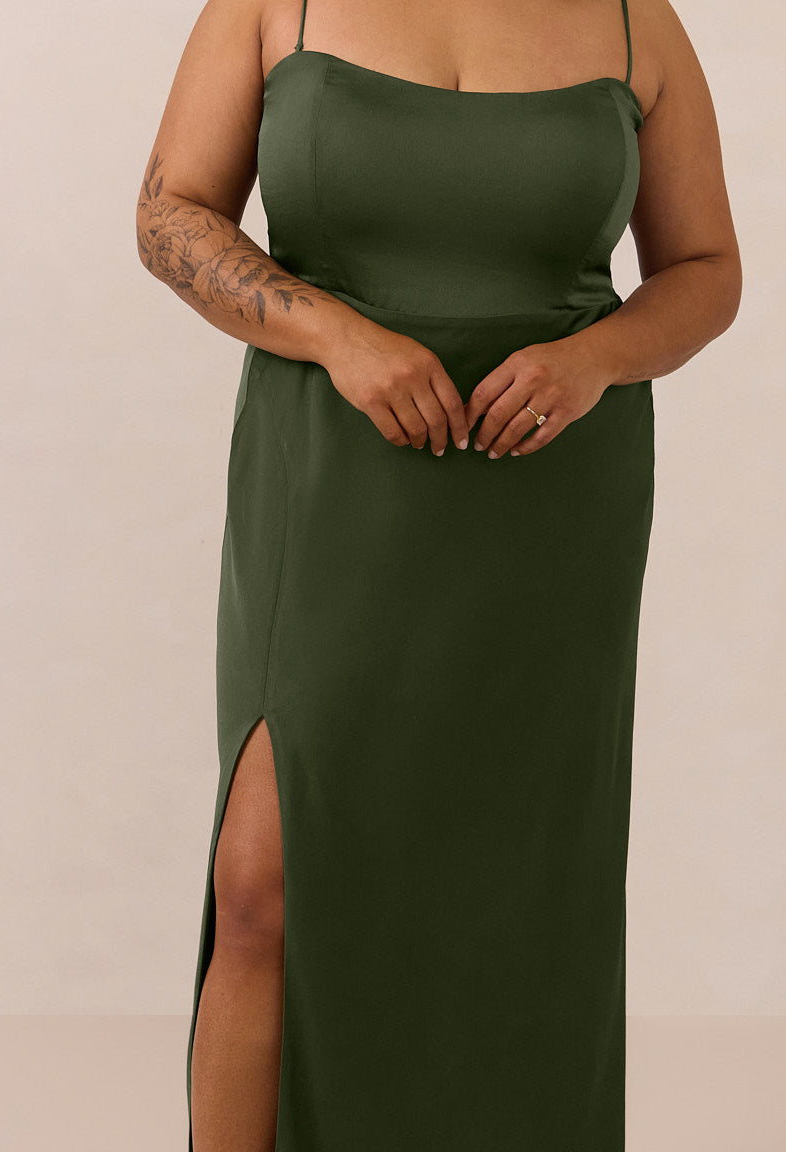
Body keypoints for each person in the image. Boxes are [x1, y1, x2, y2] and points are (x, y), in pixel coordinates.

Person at [136, 0, 740, 1146]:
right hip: (329, 482)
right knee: (262, 887)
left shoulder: (633, 21)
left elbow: (707, 269)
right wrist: (335, 335)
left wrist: (595, 360)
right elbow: (170, 213)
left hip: (548, 506)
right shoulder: (273, 6)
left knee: (515, 896)